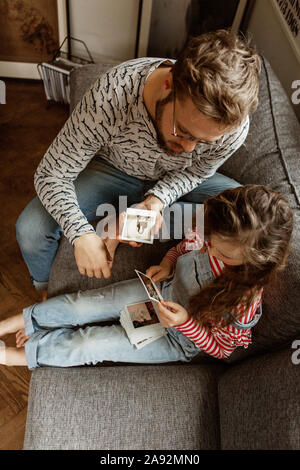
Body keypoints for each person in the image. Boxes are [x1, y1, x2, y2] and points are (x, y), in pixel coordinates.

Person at [15, 29, 261, 299]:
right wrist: (80, 233)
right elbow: (52, 174)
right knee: (31, 228)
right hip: (113, 170)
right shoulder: (110, 95)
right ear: (169, 84)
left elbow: (197, 171)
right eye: (184, 132)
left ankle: (123, 227)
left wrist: (156, 201)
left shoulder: (233, 128)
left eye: (203, 142)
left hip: (178, 180)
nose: (189, 149)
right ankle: (45, 290)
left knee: (250, 218)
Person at [0, 185, 293, 368]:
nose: (210, 248)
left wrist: (185, 324)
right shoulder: (214, 233)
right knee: (84, 304)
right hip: (161, 290)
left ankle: (26, 355)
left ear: (254, 261)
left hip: (176, 338)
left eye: (223, 253)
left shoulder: (245, 301)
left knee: (88, 344)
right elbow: (184, 246)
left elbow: (221, 349)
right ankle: (23, 321)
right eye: (210, 238)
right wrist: (168, 262)